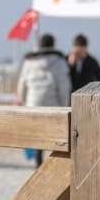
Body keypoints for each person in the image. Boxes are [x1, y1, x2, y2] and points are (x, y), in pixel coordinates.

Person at [16, 33, 71, 165]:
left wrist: (25, 104)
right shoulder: (59, 62)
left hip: (33, 106)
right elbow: (64, 88)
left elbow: (21, 87)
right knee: (56, 141)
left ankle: (38, 166)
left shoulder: (29, 62)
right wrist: (65, 106)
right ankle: (54, 168)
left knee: (38, 140)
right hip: (54, 107)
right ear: (53, 45)